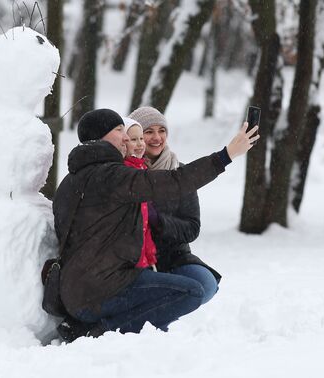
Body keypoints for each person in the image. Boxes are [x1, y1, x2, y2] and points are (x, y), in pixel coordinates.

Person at [52, 108, 258, 342]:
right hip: (101, 292)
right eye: (120, 130)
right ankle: (102, 330)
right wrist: (226, 155)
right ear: (102, 137)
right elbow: (176, 181)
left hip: (74, 292)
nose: (127, 137)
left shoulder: (71, 181)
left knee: (195, 285)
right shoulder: (113, 176)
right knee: (192, 291)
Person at [128, 106, 220, 304]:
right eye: (148, 132)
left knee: (206, 285)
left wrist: (159, 222)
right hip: (134, 260)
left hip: (173, 256)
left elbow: (192, 227)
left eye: (161, 131)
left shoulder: (180, 173)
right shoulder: (126, 173)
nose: (157, 138)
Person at [121, 117, 157, 271]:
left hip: (141, 253)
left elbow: (145, 224)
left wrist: (150, 254)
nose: (140, 144)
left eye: (141, 138)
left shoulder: (142, 168)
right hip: (128, 255)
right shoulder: (124, 171)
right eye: (134, 139)